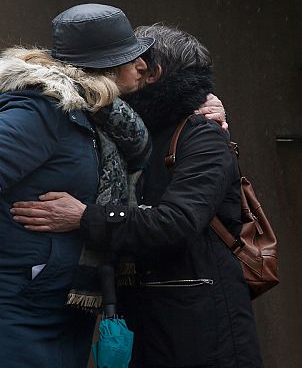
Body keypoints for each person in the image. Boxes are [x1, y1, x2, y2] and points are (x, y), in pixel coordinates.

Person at [13, 21, 262, 367]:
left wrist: (84, 216)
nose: (122, 69)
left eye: (131, 61)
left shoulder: (202, 135)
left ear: (153, 73)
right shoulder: (124, 131)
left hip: (201, 330)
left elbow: (179, 221)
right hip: (143, 321)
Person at [0, 35, 151, 365]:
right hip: (22, 302)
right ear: (102, 63)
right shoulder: (43, 107)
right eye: (131, 57)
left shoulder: (98, 114)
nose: (142, 66)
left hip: (59, 304)